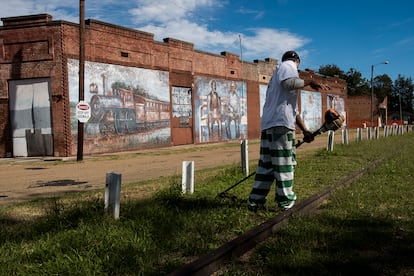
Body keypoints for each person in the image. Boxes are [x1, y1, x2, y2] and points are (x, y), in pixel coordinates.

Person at [247, 50, 329, 212]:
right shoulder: (287, 66)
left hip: (270, 125)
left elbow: (293, 110)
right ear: (296, 62)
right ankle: (286, 202)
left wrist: (305, 130)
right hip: (281, 126)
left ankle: (255, 201)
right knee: (285, 163)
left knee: (267, 166)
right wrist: (309, 82)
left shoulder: (275, 80)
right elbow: (289, 83)